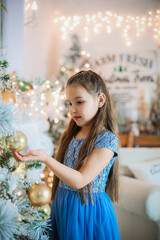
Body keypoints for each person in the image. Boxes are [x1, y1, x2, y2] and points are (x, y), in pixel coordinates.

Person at [13, 70, 120, 240]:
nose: (72, 110)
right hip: (62, 204)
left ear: (100, 100)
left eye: (79, 102)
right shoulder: (70, 133)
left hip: (87, 211)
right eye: (69, 103)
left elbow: (79, 180)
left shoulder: (106, 140)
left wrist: (46, 159)